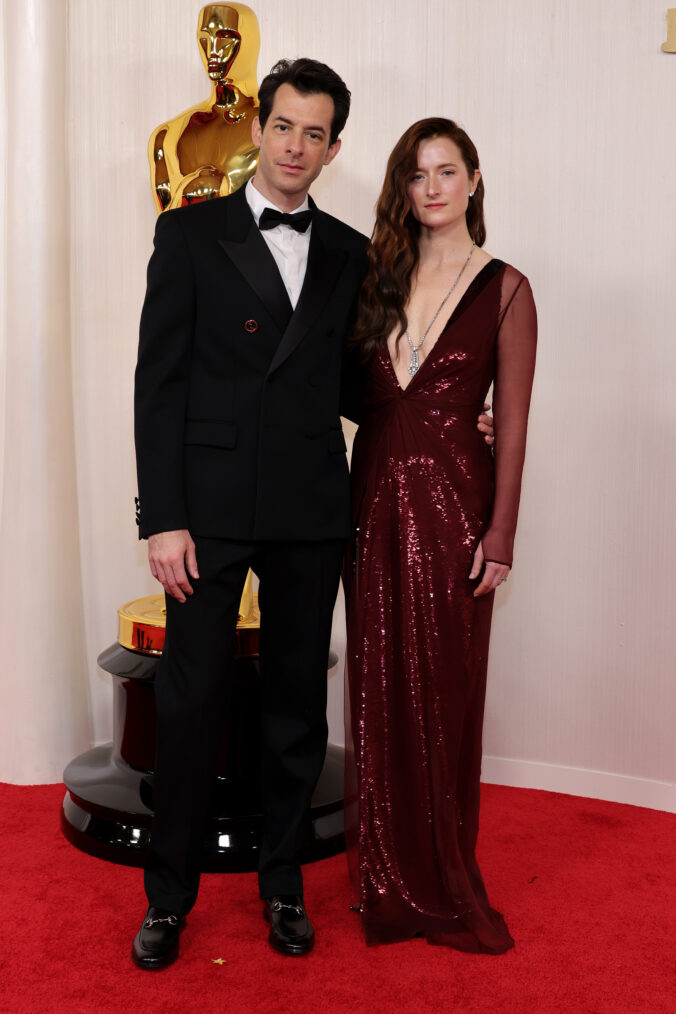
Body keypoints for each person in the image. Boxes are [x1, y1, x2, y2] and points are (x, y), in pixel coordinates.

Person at [133, 59, 494, 968]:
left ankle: (283, 887)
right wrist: (161, 516)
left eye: (316, 133)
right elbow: (158, 385)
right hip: (206, 512)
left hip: (308, 506)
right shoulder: (186, 235)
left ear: (335, 148)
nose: (297, 146)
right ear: (260, 127)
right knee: (189, 704)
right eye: (284, 126)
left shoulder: (348, 252)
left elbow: (359, 384)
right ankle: (168, 900)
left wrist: (453, 411)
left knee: (296, 710)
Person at [345, 117, 537, 954]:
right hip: (372, 500)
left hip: (458, 506)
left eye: (446, 171)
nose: (432, 187)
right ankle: (386, 871)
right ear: (403, 186)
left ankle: (444, 869)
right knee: (378, 681)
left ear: (474, 179)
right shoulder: (373, 280)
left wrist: (501, 534)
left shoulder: (507, 287)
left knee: (447, 688)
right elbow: (355, 396)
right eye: (417, 174)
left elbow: (518, 425)